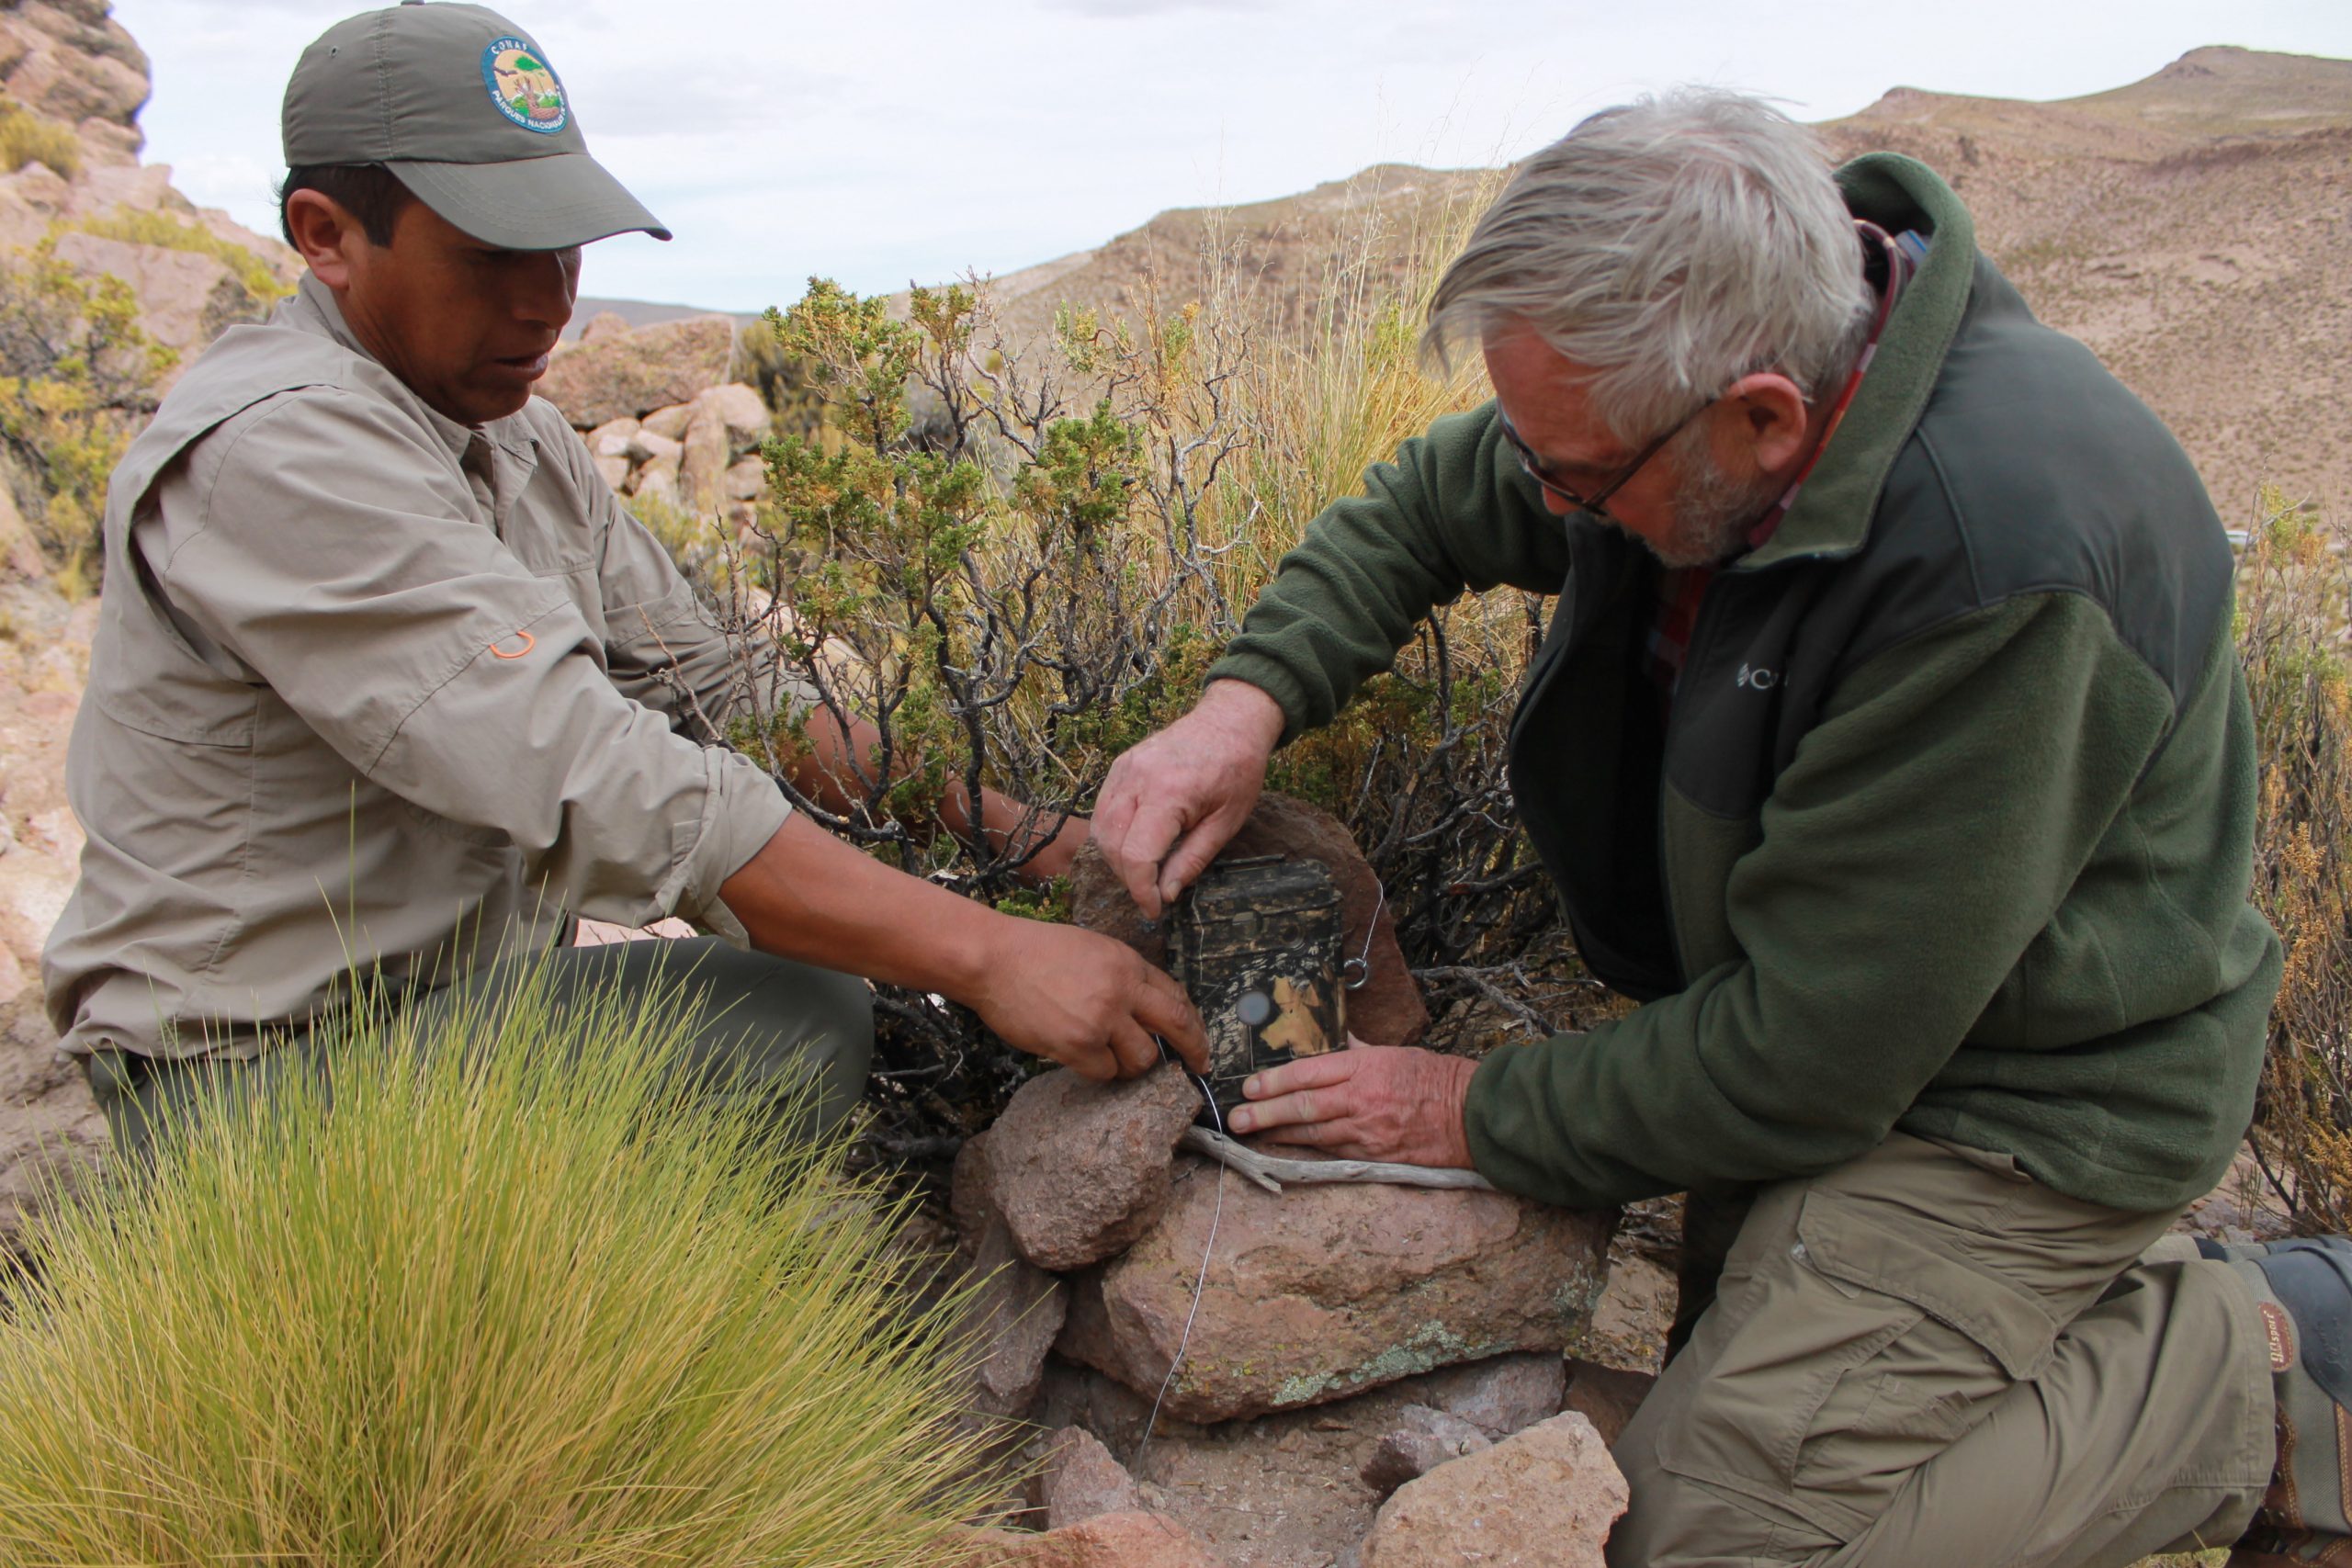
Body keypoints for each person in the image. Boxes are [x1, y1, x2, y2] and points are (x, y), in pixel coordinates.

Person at [1093, 88, 2334, 1568]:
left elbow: (1807, 1056)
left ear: (1762, 418)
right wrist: (1242, 700)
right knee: (1711, 1405)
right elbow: (1427, 502)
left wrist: (1465, 1107)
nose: (1544, 499)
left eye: (1576, 482)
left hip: (2020, 1109)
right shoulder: (1658, 408)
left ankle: (2252, 1376)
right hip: (1829, 1022)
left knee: (1707, 1536)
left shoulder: (1998, 563)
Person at [41, 0, 1204, 1164]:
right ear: (326, 234)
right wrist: (991, 955)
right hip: (255, 1081)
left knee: (803, 976)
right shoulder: (280, 449)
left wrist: (1030, 838)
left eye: (561, 244)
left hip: (429, 1016)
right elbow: (597, 774)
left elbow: (719, 688)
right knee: (785, 1023)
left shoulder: (515, 435)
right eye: (491, 253)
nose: (546, 299)